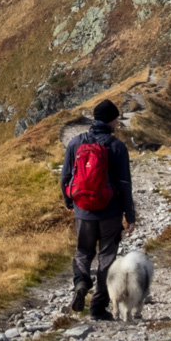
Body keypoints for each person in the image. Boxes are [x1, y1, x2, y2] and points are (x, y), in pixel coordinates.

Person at [61, 98, 137, 318]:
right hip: (110, 213)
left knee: (83, 252)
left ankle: (81, 282)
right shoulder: (117, 146)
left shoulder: (76, 143)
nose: (118, 124)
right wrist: (129, 215)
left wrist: (69, 202)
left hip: (83, 210)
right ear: (111, 121)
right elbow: (124, 185)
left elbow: (66, 177)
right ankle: (97, 307)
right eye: (117, 120)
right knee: (107, 256)